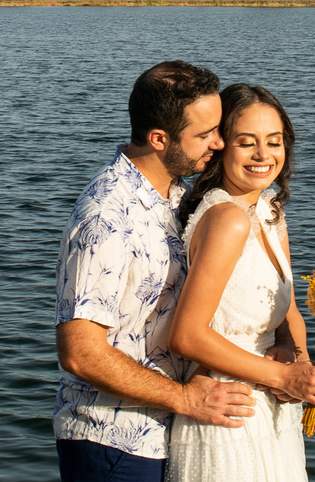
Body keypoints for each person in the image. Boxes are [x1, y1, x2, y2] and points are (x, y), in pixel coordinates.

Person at [55, 61, 257, 482]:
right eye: (204, 134)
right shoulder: (106, 217)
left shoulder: (178, 194)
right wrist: (185, 398)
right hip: (113, 441)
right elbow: (80, 353)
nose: (219, 142)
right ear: (159, 138)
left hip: (170, 435)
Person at [166, 84, 315, 482]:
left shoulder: (269, 210)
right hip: (229, 409)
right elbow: (186, 336)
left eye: (274, 142)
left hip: (273, 407)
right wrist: (283, 377)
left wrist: (300, 364)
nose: (264, 155)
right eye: (247, 143)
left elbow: (287, 308)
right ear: (220, 147)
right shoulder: (227, 219)